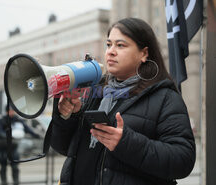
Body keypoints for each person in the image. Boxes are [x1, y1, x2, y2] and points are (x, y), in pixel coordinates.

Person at [49, 17, 196, 185]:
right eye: (108, 44)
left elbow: (183, 160)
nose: (111, 51)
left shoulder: (165, 98)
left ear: (144, 53)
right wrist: (68, 116)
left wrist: (126, 143)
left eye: (120, 45)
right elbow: (63, 147)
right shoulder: (96, 92)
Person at [0, 106, 40, 185]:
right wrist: (8, 136)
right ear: (6, 112)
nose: (12, 113)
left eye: (13, 111)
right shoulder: (1, 120)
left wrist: (36, 135)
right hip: (3, 147)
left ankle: (16, 182)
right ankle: (4, 182)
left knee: (15, 166)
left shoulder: (18, 120)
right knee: (3, 167)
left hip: (14, 147)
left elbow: (27, 129)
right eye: (10, 111)